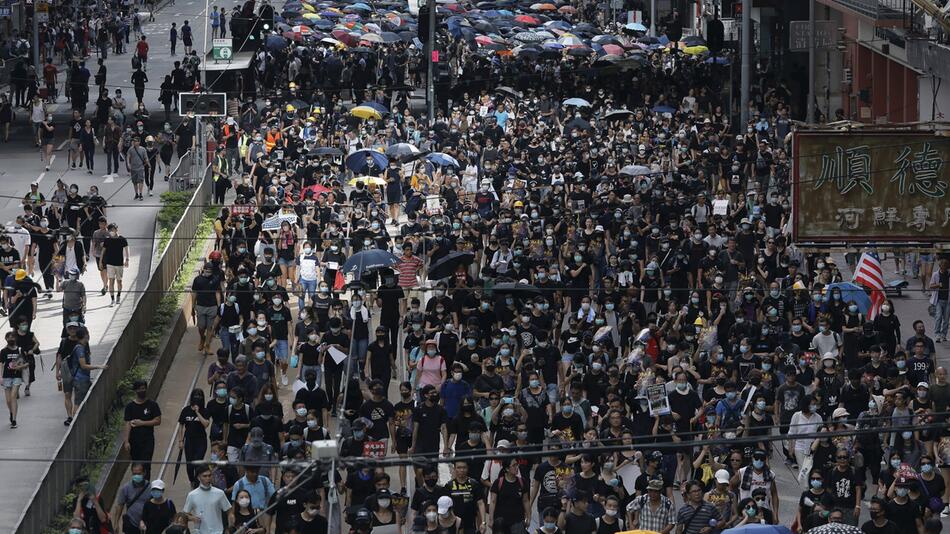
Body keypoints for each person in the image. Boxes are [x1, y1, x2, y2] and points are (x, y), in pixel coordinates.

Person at [124, 379, 162, 479]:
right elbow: (127, 423)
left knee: (146, 464)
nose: (143, 391)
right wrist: (126, 441)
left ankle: (146, 485)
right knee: (136, 465)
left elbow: (157, 420)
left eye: (144, 388)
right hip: (134, 441)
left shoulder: (152, 405)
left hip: (147, 440)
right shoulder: (130, 406)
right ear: (136, 390)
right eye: (140, 389)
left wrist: (142, 423)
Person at [182, 465, 231, 533]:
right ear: (199, 478)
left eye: (209, 475)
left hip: (218, 532)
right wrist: (192, 518)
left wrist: (229, 528)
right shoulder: (192, 495)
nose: (208, 478)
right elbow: (184, 514)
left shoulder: (220, 493)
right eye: (204, 476)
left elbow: (229, 511)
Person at [113, 463, 152, 534]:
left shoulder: (150, 488)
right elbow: (120, 506)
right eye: (134, 474)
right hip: (131, 524)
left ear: (144, 473)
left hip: (147, 524)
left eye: (139, 473)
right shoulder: (125, 488)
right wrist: (116, 523)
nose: (136, 476)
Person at [101, 223, 129, 306]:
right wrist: (101, 261)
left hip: (119, 263)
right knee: (111, 281)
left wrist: (127, 259)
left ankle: (118, 296)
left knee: (119, 282)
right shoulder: (107, 240)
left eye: (112, 229)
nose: (111, 232)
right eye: (110, 230)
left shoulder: (122, 239)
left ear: (116, 229)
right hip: (110, 264)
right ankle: (112, 299)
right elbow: (103, 251)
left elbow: (127, 249)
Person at [126, 135, 150, 200]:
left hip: (140, 168)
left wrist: (148, 165)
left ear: (139, 142)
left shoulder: (143, 149)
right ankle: (136, 193)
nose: (134, 142)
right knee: (134, 182)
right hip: (133, 168)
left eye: (136, 141)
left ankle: (140, 194)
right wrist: (128, 164)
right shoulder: (131, 149)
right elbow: (128, 156)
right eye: (134, 141)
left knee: (141, 181)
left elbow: (146, 158)